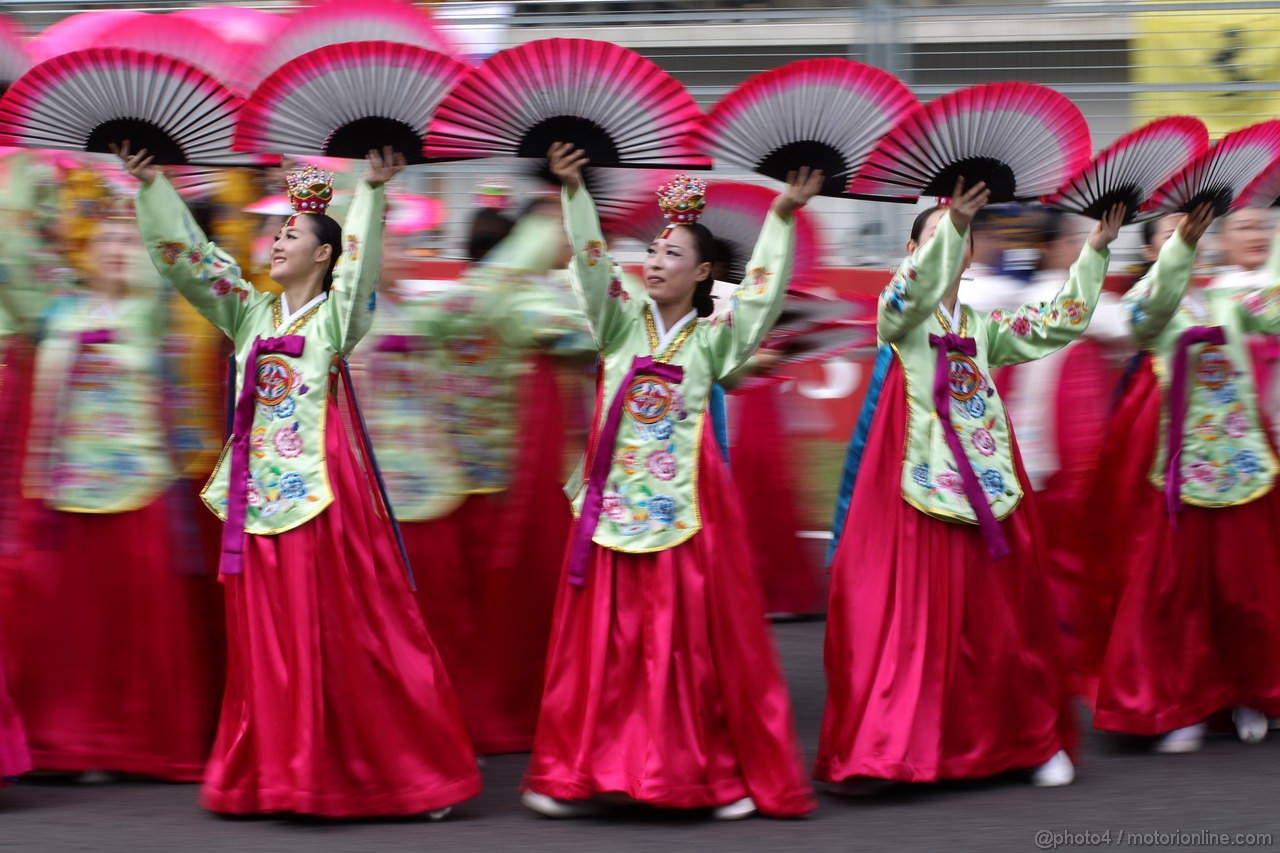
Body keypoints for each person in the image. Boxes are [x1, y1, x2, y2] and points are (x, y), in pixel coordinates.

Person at [114, 142, 481, 818]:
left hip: (325, 497)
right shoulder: (249, 314)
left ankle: (403, 771)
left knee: (349, 631)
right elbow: (191, 265)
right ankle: (281, 772)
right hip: (257, 501)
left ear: (322, 255)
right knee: (269, 641)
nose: (275, 242)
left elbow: (360, 265)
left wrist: (368, 190)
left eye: (291, 235)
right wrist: (154, 186)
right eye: (273, 232)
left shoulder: (339, 319)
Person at [520, 144, 822, 821]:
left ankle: (696, 775)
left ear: (705, 271)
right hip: (609, 511)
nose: (654, 263)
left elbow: (764, 299)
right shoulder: (618, 323)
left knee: (683, 649)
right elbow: (593, 263)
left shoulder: (714, 342)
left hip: (685, 510)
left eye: (672, 254)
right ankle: (582, 771)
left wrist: (782, 215)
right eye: (652, 252)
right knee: (602, 650)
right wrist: (574, 193)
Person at [817, 180, 1124, 791]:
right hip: (916, 492)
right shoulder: (898, 318)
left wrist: (1097, 248)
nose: (951, 246)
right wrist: (953, 221)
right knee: (916, 624)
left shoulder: (984, 330)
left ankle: (1023, 741)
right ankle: (900, 747)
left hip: (988, 490)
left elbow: (1060, 324)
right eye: (934, 239)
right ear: (910, 254)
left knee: (999, 622)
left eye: (960, 237)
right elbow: (904, 301)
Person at [1093, 202, 1280, 753]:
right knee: (1172, 591)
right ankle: (1181, 701)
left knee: (1247, 588)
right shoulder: (1146, 303)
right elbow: (1145, 322)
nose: (1188, 238)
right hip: (1176, 472)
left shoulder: (1227, 295)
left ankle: (1253, 691)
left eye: (1194, 231)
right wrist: (1179, 254)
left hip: (1241, 466)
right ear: (1152, 248)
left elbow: (1272, 311)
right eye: (1173, 235)